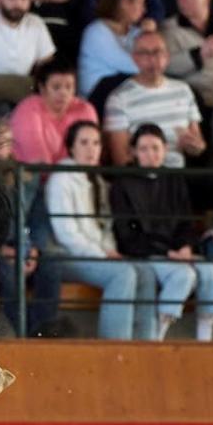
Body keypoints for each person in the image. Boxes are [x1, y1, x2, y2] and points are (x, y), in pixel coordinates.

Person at [107, 124, 213, 341]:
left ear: (165, 149)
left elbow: (185, 222)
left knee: (211, 272)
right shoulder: (123, 184)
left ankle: (205, 340)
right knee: (183, 276)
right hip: (145, 252)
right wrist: (168, 253)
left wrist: (186, 247)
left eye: (156, 148)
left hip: (176, 252)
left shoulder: (174, 179)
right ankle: (157, 336)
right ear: (133, 152)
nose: (151, 154)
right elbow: (126, 233)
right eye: (144, 149)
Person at [44, 121, 156, 340]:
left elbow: (105, 228)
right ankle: (115, 347)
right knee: (122, 274)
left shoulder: (99, 180)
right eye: (84, 142)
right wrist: (103, 255)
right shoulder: (61, 180)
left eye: (96, 143)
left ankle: (145, 346)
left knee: (145, 272)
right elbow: (67, 235)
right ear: (71, 147)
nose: (91, 149)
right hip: (66, 256)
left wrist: (109, 251)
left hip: (96, 254)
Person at [102, 30, 204, 168]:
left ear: (167, 56)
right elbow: (120, 159)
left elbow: (199, 146)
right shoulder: (119, 98)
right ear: (134, 58)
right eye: (144, 53)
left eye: (157, 52)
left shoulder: (183, 90)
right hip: (141, 177)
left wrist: (193, 146)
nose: (152, 59)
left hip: (178, 175)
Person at [10, 58, 96, 166]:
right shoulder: (28, 109)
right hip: (33, 178)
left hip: (77, 175)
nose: (63, 93)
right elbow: (38, 162)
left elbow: (91, 155)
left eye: (69, 87)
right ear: (42, 88)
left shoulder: (85, 109)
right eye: (56, 87)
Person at [77, 0, 148, 107]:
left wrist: (149, 35)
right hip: (97, 102)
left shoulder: (136, 32)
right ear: (125, 3)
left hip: (129, 98)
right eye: (141, 2)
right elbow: (136, 66)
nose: (144, 9)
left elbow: (153, 61)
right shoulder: (96, 32)